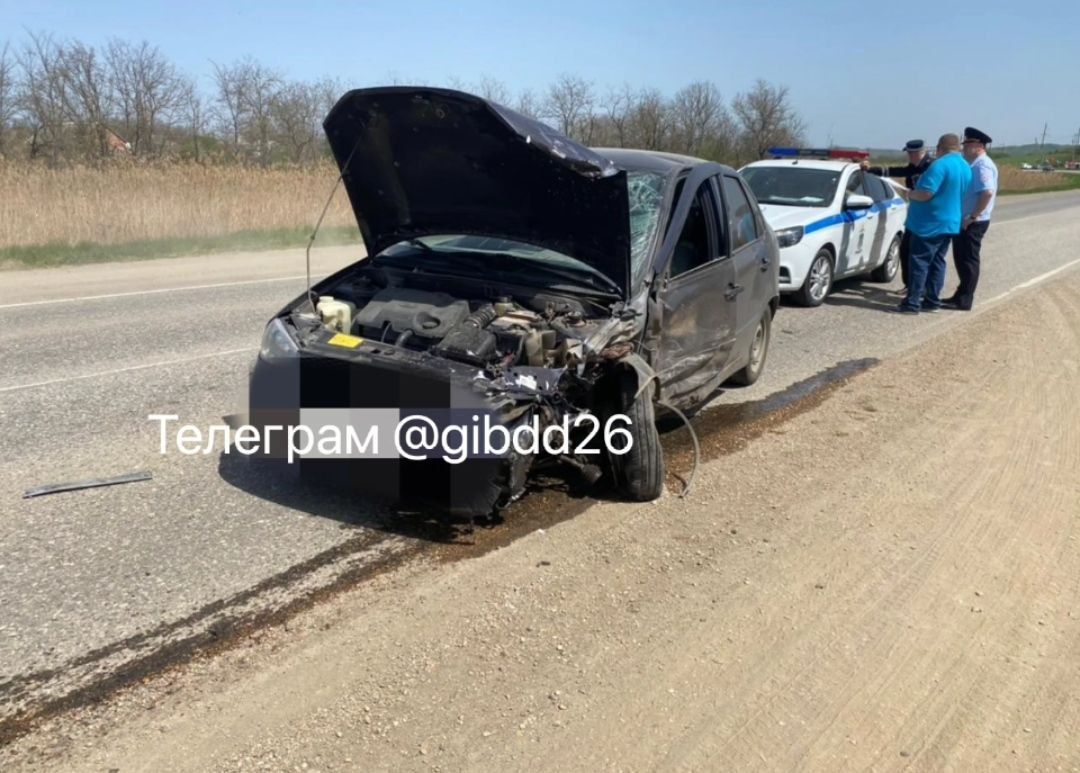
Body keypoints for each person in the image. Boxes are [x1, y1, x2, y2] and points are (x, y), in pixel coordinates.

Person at [893, 134, 971, 314]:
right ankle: (932, 300)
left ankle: (912, 303)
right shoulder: (965, 167)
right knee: (937, 261)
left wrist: (909, 194)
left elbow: (926, 193)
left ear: (940, 148)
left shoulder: (940, 165)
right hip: (950, 222)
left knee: (919, 262)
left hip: (929, 223)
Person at [862, 139, 933, 288]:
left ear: (921, 152)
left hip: (929, 216)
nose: (910, 157)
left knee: (924, 256)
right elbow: (896, 171)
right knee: (906, 249)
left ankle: (923, 290)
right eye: (908, 153)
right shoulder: (914, 166)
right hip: (915, 213)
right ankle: (910, 286)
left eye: (912, 154)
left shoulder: (931, 167)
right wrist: (870, 170)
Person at [945, 127, 998, 310]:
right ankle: (960, 295)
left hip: (973, 221)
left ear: (978, 145)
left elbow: (987, 192)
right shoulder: (976, 163)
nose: (964, 148)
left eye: (967, 144)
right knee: (962, 258)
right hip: (970, 219)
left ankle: (964, 299)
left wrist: (972, 216)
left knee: (967, 260)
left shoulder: (982, 165)